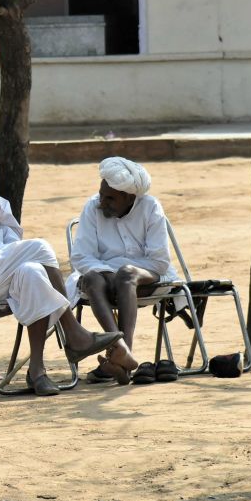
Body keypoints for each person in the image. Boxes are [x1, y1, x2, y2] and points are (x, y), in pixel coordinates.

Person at [0, 122, 123, 396]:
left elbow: (11, 247)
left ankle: (37, 370)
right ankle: (74, 332)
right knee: (40, 247)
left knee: (32, 271)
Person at [67, 157, 179, 385]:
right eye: (101, 194)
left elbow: (159, 261)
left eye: (110, 198)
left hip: (147, 277)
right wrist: (107, 273)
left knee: (126, 274)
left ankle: (121, 351)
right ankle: (122, 351)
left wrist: (121, 273)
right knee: (91, 278)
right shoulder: (92, 207)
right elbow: (81, 256)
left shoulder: (150, 207)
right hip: (102, 277)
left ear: (130, 198)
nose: (102, 202)